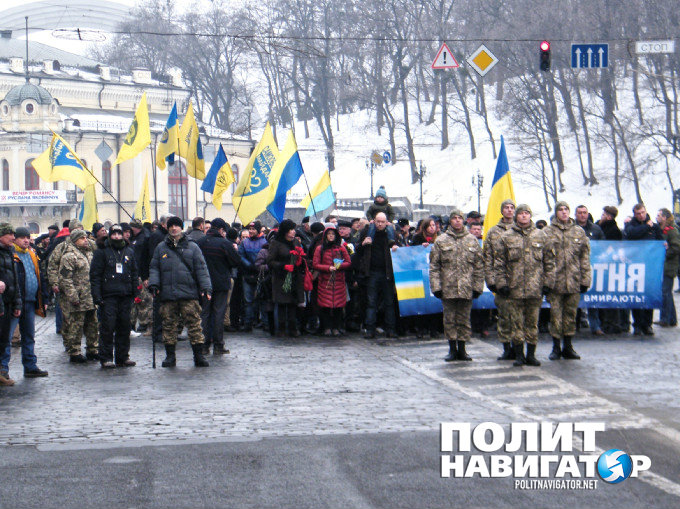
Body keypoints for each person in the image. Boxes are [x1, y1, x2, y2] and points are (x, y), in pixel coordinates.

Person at [494, 204, 555, 366]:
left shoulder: (541, 236)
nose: (524, 216)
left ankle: (531, 355)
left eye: (527, 213)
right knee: (516, 324)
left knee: (532, 323)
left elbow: (549, 263)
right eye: (521, 213)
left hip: (535, 289)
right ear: (516, 216)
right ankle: (519, 355)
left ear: (530, 216)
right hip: (514, 289)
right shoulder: (506, 237)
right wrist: (502, 284)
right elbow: (499, 264)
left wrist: (548, 283)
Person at [149, 216, 212, 368]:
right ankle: (170, 356)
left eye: (177, 226)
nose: (174, 228)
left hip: (188, 293)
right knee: (169, 326)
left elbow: (201, 269)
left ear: (181, 228)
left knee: (195, 325)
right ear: (167, 228)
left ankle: (198, 355)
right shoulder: (161, 248)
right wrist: (154, 284)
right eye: (171, 226)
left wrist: (206, 287)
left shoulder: (193, 247)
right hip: (168, 294)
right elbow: (154, 268)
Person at [430, 209, 484, 361]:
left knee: (464, 319)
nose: (457, 221)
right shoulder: (441, 240)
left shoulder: (472, 240)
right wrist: (436, 287)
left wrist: (477, 286)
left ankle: (463, 349)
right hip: (448, 287)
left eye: (460, 218)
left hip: (466, 287)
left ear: (464, 220)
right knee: (449, 319)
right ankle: (452, 349)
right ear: (450, 221)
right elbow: (434, 266)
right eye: (454, 218)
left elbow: (479, 266)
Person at [544, 201, 591, 361]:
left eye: (566, 209)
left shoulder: (578, 232)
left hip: (573, 281)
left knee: (571, 315)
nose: (564, 212)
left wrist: (585, 280)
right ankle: (556, 347)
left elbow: (584, 258)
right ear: (556, 213)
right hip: (554, 282)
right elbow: (542, 259)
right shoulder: (547, 232)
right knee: (555, 316)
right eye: (560, 210)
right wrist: (545, 282)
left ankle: (568, 346)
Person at [1, 227, 48, 380]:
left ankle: (30, 365)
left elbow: (39, 276)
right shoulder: (12, 255)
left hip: (30, 301)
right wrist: (16, 302)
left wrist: (43, 298)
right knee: (7, 337)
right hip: (15, 302)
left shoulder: (32, 254)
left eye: (27, 237)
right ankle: (3, 369)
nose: (26, 240)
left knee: (29, 335)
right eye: (22, 237)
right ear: (15, 239)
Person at [89, 224, 138, 368]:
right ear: (110, 236)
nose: (117, 237)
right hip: (108, 295)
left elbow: (134, 272)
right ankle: (106, 357)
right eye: (114, 234)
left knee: (124, 326)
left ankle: (123, 356)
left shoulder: (129, 251)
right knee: (108, 328)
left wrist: (135, 291)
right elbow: (95, 275)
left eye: (119, 234)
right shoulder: (102, 252)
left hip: (125, 294)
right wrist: (97, 295)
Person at [197, 218, 240, 354]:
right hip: (221, 283)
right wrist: (234, 250)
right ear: (221, 230)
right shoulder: (225, 244)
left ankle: (204, 345)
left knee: (205, 313)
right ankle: (218, 345)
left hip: (204, 283)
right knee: (218, 314)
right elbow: (235, 262)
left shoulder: (200, 243)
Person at [58, 229, 99, 363]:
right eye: (82, 238)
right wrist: (73, 295)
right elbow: (65, 279)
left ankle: (92, 349)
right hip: (78, 297)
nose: (86, 240)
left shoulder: (89, 254)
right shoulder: (69, 256)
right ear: (75, 240)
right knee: (76, 325)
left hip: (90, 296)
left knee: (92, 324)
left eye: (86, 238)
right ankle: (74, 351)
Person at [483, 199, 516, 360]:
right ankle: (506, 347)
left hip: (519, 281)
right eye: (506, 208)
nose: (509, 211)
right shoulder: (493, 232)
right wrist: (490, 280)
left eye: (512, 208)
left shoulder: (521, 230)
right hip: (500, 279)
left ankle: (518, 347)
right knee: (504, 316)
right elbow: (488, 257)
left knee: (519, 316)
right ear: (502, 211)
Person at [357, 212, 398, 338]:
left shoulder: (391, 234)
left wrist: (397, 247)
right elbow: (358, 251)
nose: (380, 224)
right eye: (378, 221)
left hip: (387, 272)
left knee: (389, 302)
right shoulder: (367, 233)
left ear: (387, 222)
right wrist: (363, 244)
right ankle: (370, 329)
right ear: (373, 221)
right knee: (371, 302)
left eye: (383, 221)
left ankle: (390, 329)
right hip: (372, 272)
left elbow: (400, 250)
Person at [624, 203, 662, 335]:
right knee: (636, 297)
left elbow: (660, 241)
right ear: (635, 214)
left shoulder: (655, 227)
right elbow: (632, 234)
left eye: (643, 213)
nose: (641, 215)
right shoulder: (631, 225)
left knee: (649, 296)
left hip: (650, 267)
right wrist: (646, 226)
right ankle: (638, 324)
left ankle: (648, 324)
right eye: (638, 213)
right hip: (635, 266)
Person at [267, 219, 306, 337]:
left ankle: (293, 328)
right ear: (285, 231)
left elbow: (302, 255)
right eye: (291, 230)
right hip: (281, 278)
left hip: (295, 277)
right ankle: (282, 328)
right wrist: (283, 266)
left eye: (294, 229)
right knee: (283, 304)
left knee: (293, 304)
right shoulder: (276, 243)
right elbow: (270, 261)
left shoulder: (296, 242)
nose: (293, 232)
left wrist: (300, 260)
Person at [313, 226, 351, 336]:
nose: (331, 236)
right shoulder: (320, 249)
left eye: (333, 234)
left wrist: (339, 266)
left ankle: (336, 327)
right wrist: (327, 268)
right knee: (325, 306)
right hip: (325, 281)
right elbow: (316, 264)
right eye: (329, 234)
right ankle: (327, 327)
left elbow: (348, 262)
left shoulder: (341, 248)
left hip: (339, 281)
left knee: (338, 307)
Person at [0, 224, 23, 386]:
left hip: (8, 303)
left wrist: (17, 303)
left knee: (3, 340)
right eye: (9, 234)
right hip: (1, 305)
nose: (13, 238)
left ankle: (2, 373)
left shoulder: (9, 252)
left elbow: (14, 281)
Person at [238, 221, 267, 332]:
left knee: (262, 300)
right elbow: (240, 256)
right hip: (248, 274)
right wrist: (250, 266)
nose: (251, 231)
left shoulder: (264, 242)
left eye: (253, 229)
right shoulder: (245, 243)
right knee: (248, 301)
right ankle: (248, 323)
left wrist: (257, 266)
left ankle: (264, 323)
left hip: (261, 274)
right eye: (250, 229)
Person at [656, 208, 679, 327]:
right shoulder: (662, 230)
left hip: (669, 266)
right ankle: (671, 318)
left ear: (664, 217)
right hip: (664, 266)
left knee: (666, 292)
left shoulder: (672, 231)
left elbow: (676, 247)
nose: (657, 217)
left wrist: (665, 254)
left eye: (659, 215)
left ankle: (665, 318)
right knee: (666, 292)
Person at [129, 219, 151, 334]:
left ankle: (143, 323)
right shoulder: (134, 239)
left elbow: (144, 259)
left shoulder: (143, 239)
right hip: (134, 274)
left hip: (140, 275)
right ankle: (133, 323)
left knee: (142, 301)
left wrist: (145, 276)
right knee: (135, 302)